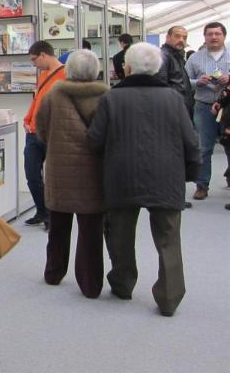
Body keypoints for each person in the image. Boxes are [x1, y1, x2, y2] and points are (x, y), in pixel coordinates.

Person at [87, 43, 199, 317]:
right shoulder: (174, 98)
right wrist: (191, 174)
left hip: (121, 176)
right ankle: (170, 296)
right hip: (167, 177)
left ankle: (123, 284)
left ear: (127, 67)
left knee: (120, 233)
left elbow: (95, 140)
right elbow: (191, 141)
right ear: (159, 68)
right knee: (168, 237)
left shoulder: (112, 98)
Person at [35, 49, 108, 298]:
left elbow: (41, 130)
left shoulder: (54, 93)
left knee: (58, 227)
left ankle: (54, 273)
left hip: (60, 170)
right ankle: (90, 285)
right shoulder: (106, 96)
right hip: (93, 171)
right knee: (91, 231)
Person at [23, 41, 66, 228]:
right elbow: (37, 99)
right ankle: (42, 210)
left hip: (51, 132)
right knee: (32, 174)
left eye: (34, 60)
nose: (34, 64)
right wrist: (27, 119)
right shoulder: (43, 76)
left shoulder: (65, 75)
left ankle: (51, 216)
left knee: (52, 177)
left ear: (43, 55)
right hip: (33, 132)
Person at [185, 22, 230, 200]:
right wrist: (198, 82)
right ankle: (202, 185)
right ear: (205, 37)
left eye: (217, 34)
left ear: (223, 36)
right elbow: (185, 80)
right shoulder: (195, 58)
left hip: (229, 108)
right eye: (210, 34)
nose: (213, 37)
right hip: (204, 106)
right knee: (204, 148)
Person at [156, 25, 193, 116]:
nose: (181, 40)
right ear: (168, 37)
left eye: (184, 37)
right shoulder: (163, 56)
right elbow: (160, 86)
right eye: (177, 36)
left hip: (180, 107)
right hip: (173, 110)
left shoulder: (176, 55)